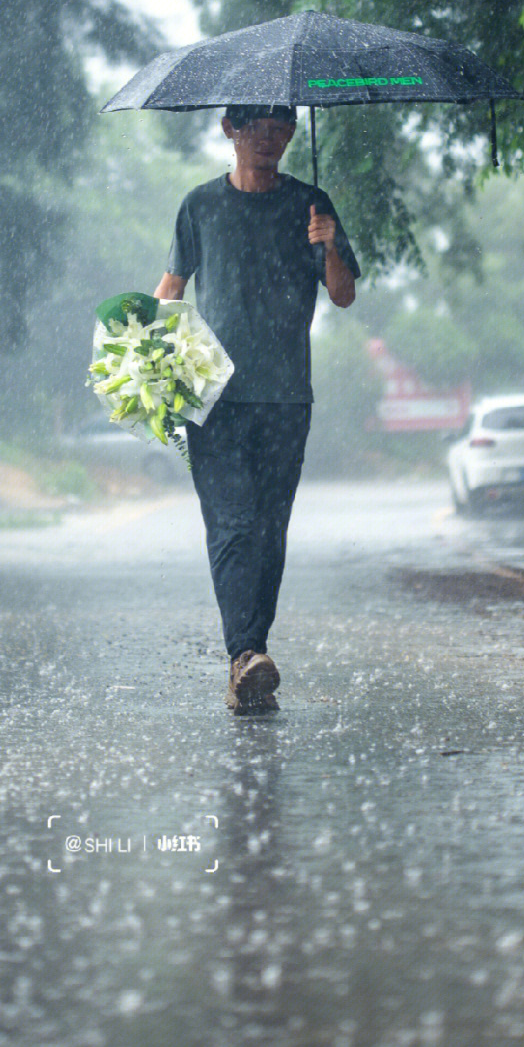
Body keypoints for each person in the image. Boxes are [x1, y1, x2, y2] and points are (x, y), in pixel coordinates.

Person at [154, 103, 360, 712]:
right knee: (233, 524)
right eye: (256, 128)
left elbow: (344, 295)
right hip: (210, 398)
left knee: (269, 531)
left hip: (286, 395)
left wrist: (327, 246)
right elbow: (171, 290)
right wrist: (141, 357)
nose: (269, 140)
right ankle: (244, 654)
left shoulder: (311, 205)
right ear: (230, 131)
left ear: (293, 133)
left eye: (280, 128)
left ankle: (252, 656)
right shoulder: (199, 206)